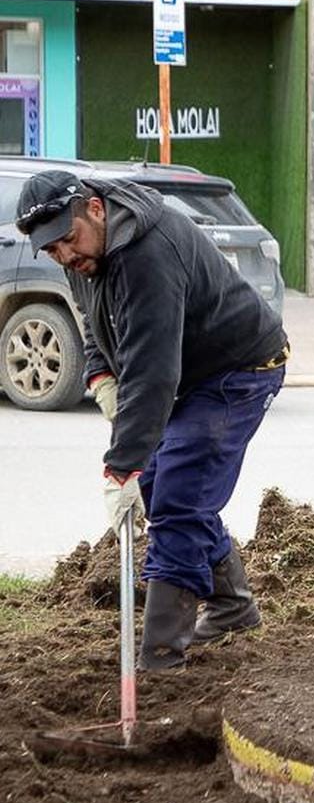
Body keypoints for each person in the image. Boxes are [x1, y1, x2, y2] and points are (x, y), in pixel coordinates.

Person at [15, 170, 289, 670]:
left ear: (94, 209)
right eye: (52, 251)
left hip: (238, 368)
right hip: (191, 373)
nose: (66, 257)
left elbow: (155, 370)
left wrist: (121, 465)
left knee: (179, 499)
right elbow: (92, 317)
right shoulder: (83, 250)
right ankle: (232, 606)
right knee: (167, 481)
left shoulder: (148, 251)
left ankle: (161, 657)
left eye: (68, 242)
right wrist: (100, 377)